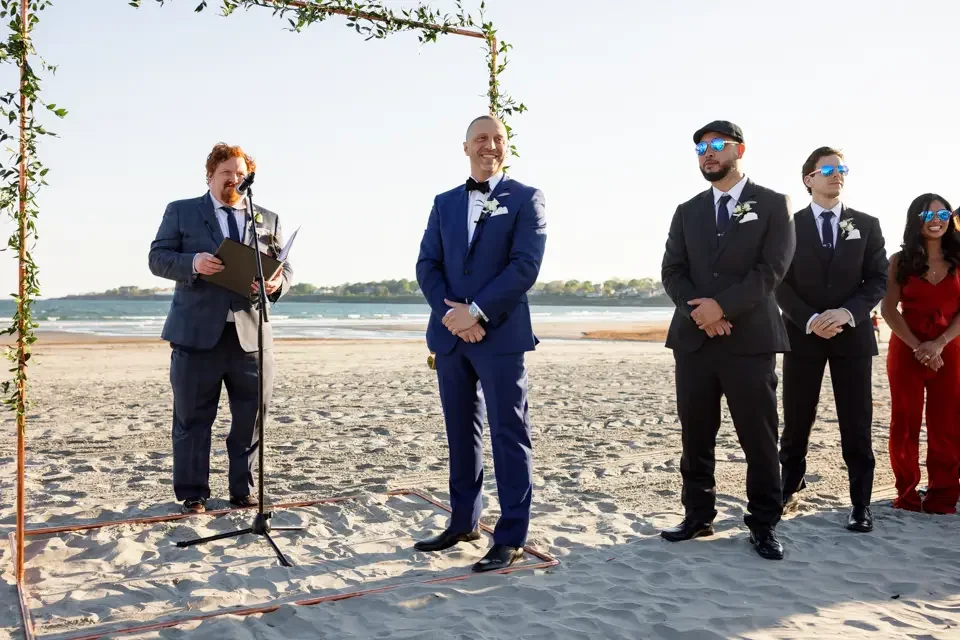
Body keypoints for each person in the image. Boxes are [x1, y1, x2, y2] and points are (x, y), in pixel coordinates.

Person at [414, 115, 547, 572]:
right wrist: (452, 316)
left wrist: (478, 312)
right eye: (481, 139)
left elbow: (524, 267)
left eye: (498, 139)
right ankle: (463, 521)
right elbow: (427, 264)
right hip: (451, 337)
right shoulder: (444, 202)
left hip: (501, 336)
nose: (490, 145)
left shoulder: (527, 199)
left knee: (510, 436)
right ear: (465, 146)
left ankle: (510, 536)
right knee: (460, 433)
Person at [660, 120, 795, 560]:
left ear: (740, 149)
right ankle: (698, 516)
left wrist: (723, 308)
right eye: (701, 148)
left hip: (749, 339)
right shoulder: (687, 210)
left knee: (758, 438)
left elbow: (771, 271)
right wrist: (700, 312)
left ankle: (763, 524)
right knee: (696, 435)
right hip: (694, 341)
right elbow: (672, 271)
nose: (708, 153)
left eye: (717, 146)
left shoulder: (774, 204)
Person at [148, 143, 294, 514]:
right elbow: (157, 258)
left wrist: (276, 284)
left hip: (252, 337)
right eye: (227, 173)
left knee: (251, 418)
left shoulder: (267, 218)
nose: (234, 180)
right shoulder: (181, 212)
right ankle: (194, 495)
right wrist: (193, 262)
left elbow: (285, 268)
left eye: (241, 175)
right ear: (210, 174)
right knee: (192, 419)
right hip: (197, 336)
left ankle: (242, 491)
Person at [774, 147, 888, 532]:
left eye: (841, 169)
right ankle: (788, 487)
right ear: (809, 179)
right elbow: (778, 282)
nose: (836, 175)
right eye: (827, 170)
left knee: (856, 421)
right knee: (796, 420)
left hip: (851, 337)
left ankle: (860, 503)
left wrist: (847, 313)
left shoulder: (867, 224)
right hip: (803, 337)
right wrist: (808, 319)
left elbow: (877, 279)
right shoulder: (788, 227)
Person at [881, 193, 960, 514]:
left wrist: (938, 344)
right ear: (916, 220)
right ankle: (908, 493)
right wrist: (919, 346)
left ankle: (943, 494)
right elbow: (888, 309)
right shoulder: (899, 261)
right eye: (928, 215)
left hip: (951, 348)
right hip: (906, 348)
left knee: (947, 422)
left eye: (943, 214)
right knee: (905, 421)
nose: (937, 220)